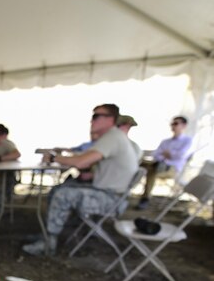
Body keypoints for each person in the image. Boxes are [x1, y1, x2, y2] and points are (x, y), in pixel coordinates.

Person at [22, 103, 138, 256]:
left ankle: (48, 244)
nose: (92, 121)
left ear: (111, 119)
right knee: (60, 189)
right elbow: (83, 159)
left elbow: (82, 161)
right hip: (110, 194)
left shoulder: (113, 137)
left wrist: (53, 157)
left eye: (96, 116)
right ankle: (48, 233)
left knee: (62, 194)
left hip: (111, 199)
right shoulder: (113, 137)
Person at [137, 116, 192, 209]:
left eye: (176, 123)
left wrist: (168, 154)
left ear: (184, 126)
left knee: (152, 172)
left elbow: (182, 156)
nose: (173, 126)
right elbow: (156, 154)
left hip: (172, 169)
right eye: (172, 123)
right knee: (140, 165)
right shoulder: (166, 141)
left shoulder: (187, 141)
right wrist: (169, 154)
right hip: (158, 165)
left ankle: (145, 198)